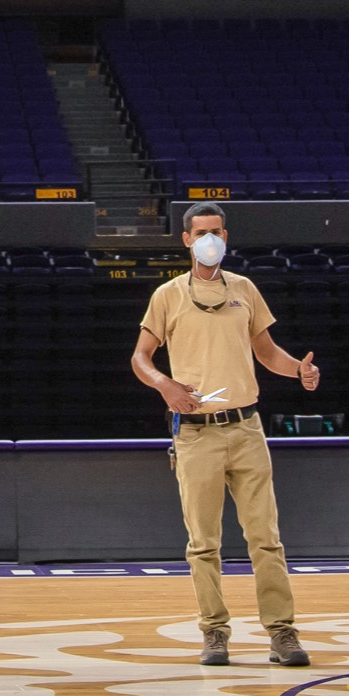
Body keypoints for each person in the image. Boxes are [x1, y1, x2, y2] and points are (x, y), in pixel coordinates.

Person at [131, 206, 320, 669]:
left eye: (216, 232)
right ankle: (214, 633)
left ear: (226, 236)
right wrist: (165, 385)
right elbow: (141, 357)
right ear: (186, 240)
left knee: (266, 539)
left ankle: (282, 633)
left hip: (246, 427)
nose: (209, 239)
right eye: (201, 233)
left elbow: (267, 352)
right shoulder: (168, 295)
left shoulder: (245, 289)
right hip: (197, 435)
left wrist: (299, 369)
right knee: (203, 543)